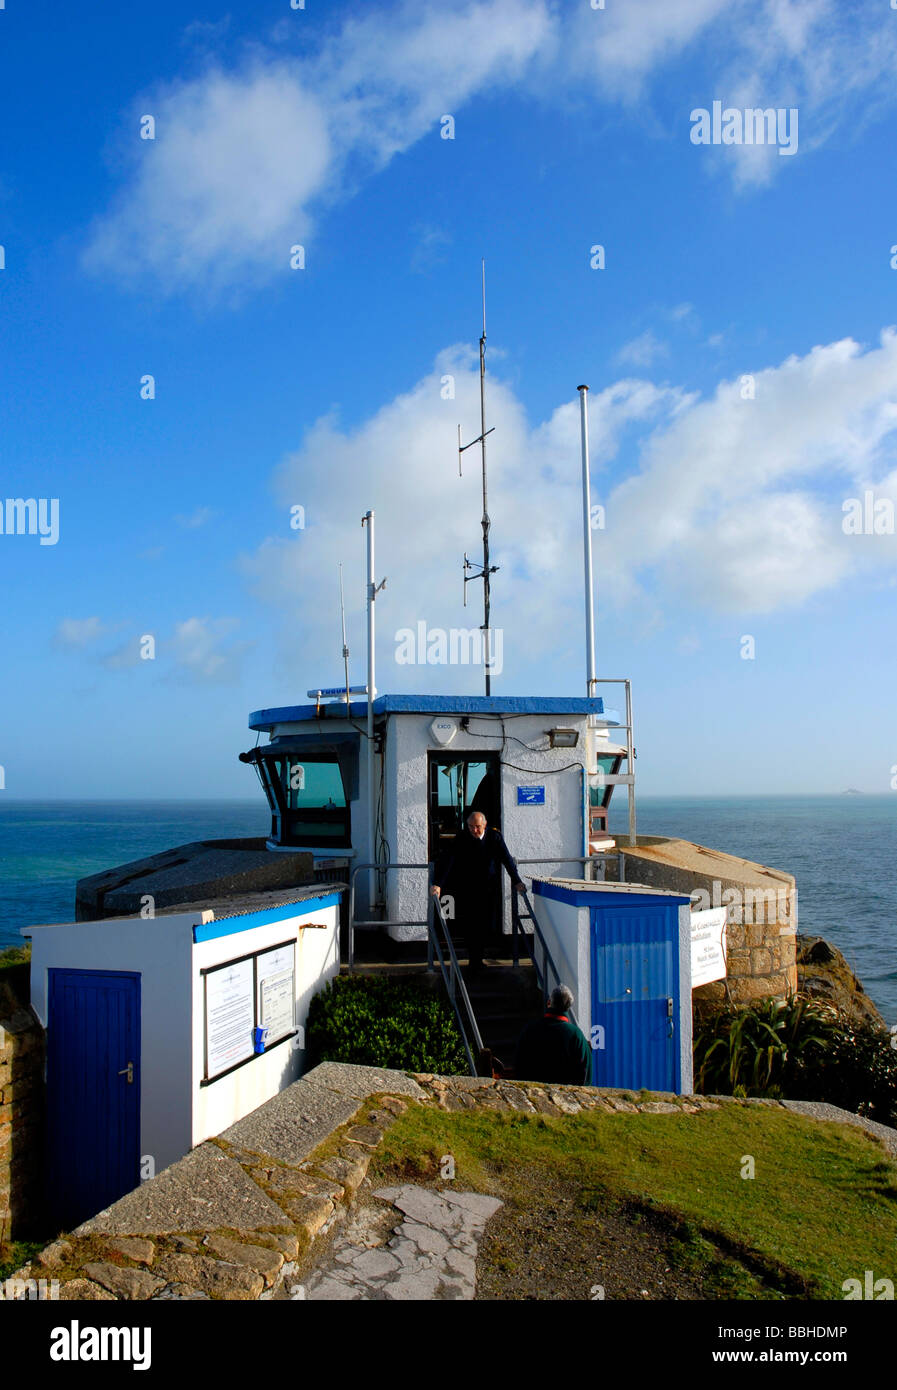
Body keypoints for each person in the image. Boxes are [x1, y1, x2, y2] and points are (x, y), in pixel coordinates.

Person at [430, 810, 525, 971]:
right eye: (471, 827)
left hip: (488, 889)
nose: (474, 830)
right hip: (467, 889)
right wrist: (438, 884)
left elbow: (507, 860)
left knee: (486, 924)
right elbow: (449, 861)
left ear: (485, 825)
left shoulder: (495, 838)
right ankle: (474, 961)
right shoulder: (462, 838)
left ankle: (479, 959)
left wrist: (517, 881)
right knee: (469, 925)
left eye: (478, 827)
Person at [514, 984, 592, 1085]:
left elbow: (519, 1065)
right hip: (566, 1096)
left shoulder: (529, 1030)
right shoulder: (576, 1035)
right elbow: (586, 1076)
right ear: (568, 1007)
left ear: (549, 1003)